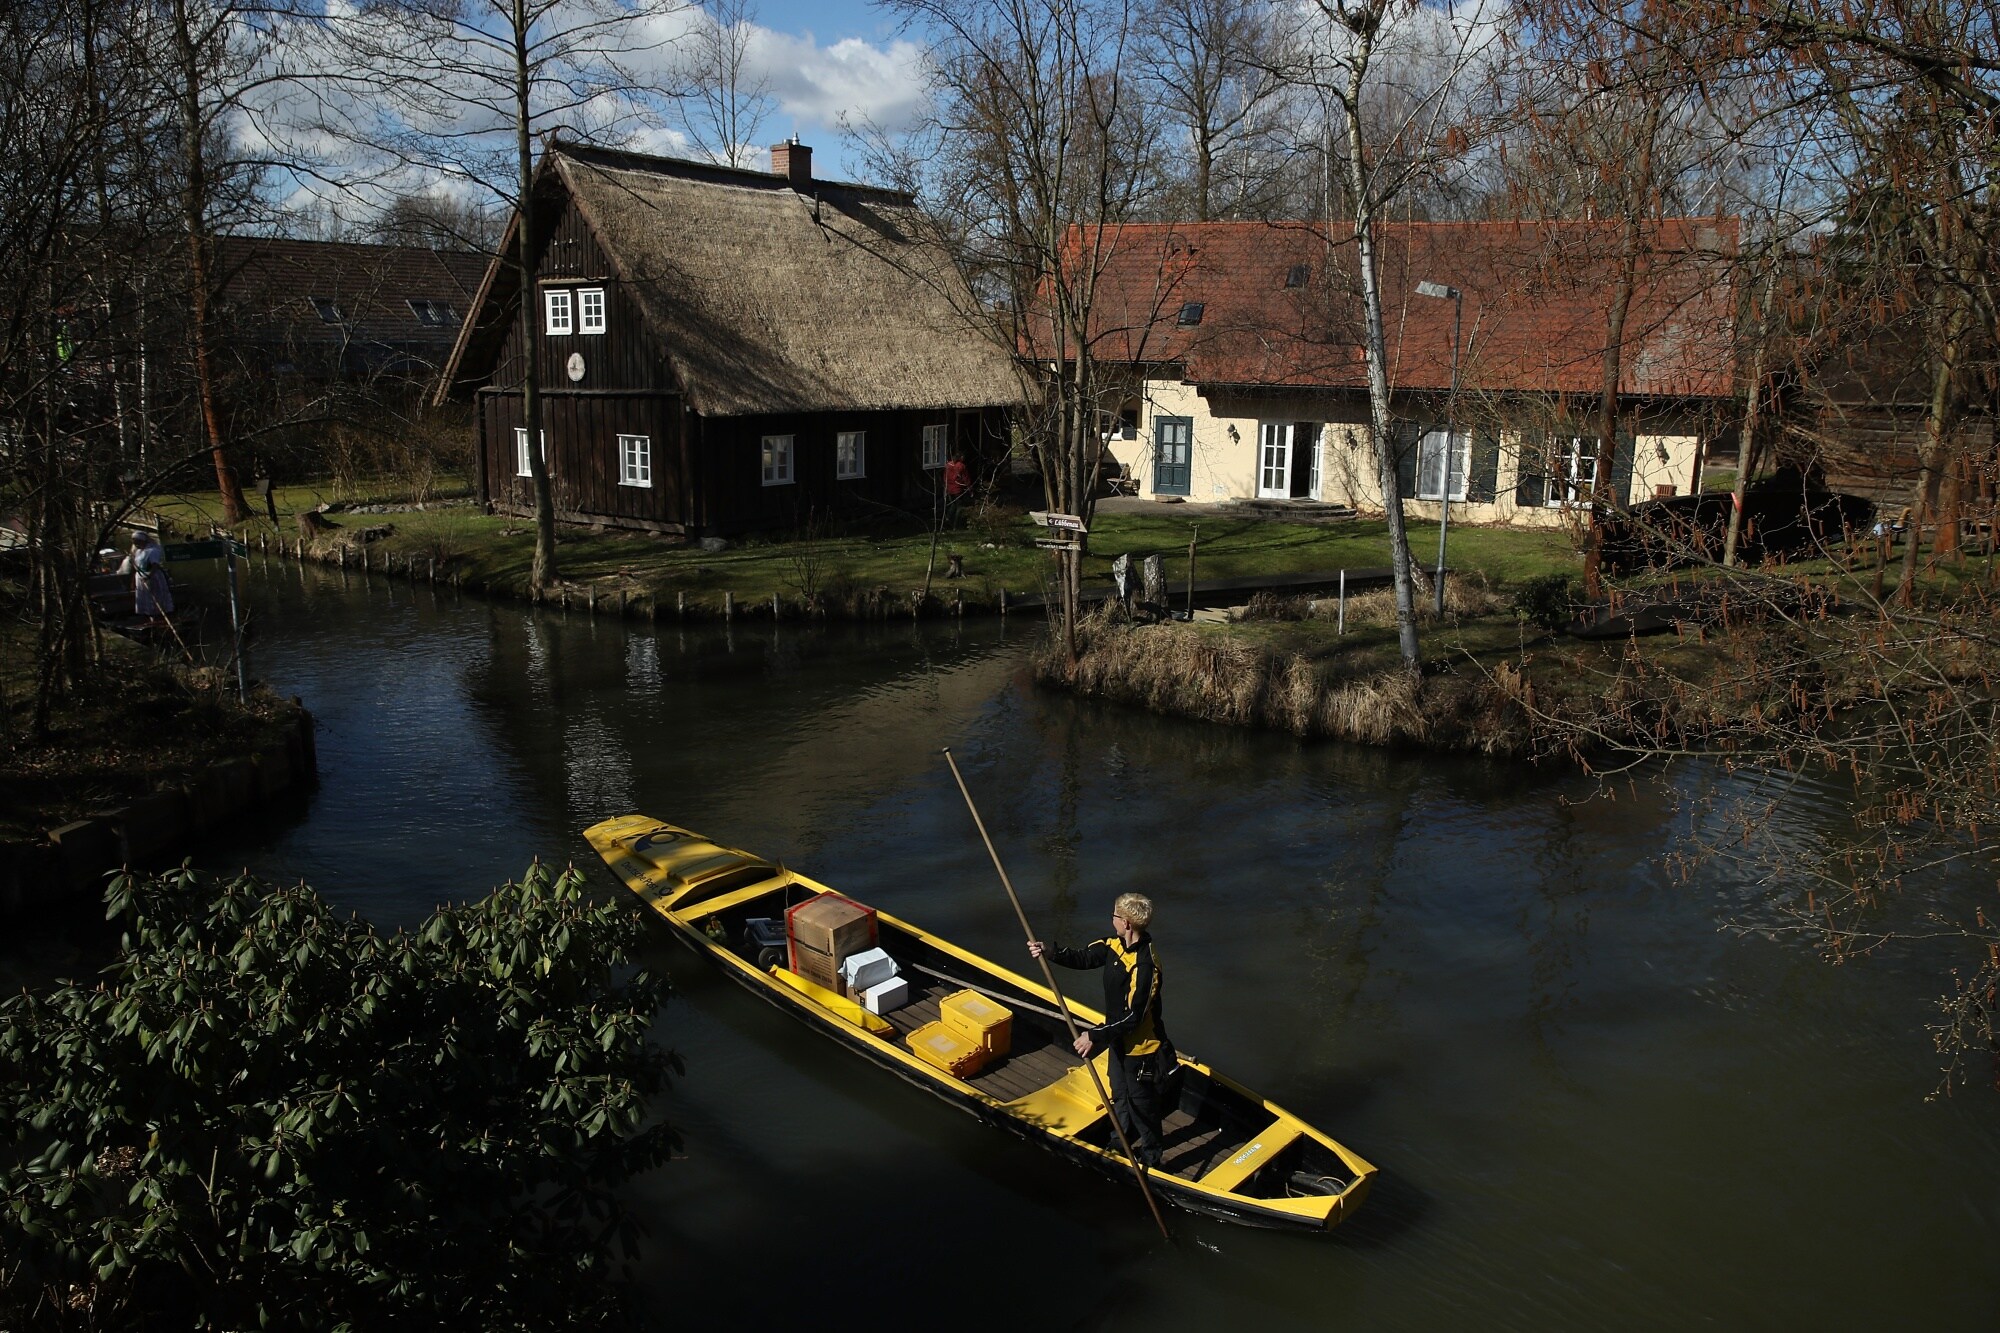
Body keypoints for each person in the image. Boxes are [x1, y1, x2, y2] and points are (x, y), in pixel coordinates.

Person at [1029, 892, 1176, 1168]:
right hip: (1116, 1039)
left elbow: (1133, 1018)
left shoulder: (1145, 966)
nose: (1112, 919)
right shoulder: (1113, 945)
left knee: (1141, 1103)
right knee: (1119, 1093)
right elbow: (1083, 958)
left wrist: (1094, 1037)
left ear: (1128, 924)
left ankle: (1152, 1156)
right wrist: (1049, 952)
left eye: (1115, 916)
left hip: (1141, 1047)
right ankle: (1119, 1142)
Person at [118, 531, 173, 623]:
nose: (135, 544)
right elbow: (136, 567)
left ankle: (159, 616)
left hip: (152, 577)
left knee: (155, 597)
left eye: (137, 542)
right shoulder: (138, 552)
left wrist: (148, 577)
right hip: (140, 578)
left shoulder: (152, 551)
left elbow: (155, 566)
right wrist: (133, 580)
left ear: (142, 541)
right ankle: (148, 617)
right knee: (144, 597)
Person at [942, 451, 972, 529]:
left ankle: (947, 519)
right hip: (958, 489)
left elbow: (944, 477)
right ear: (961, 457)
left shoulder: (948, 465)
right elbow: (966, 478)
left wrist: (946, 487)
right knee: (960, 507)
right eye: (963, 457)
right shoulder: (961, 466)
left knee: (953, 504)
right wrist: (970, 489)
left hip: (949, 489)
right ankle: (956, 525)